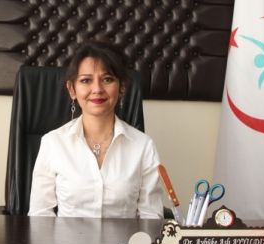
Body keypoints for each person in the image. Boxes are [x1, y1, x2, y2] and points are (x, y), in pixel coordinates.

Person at [28, 40, 163, 218]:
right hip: (67, 237)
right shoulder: (52, 143)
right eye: (86, 80)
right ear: (72, 89)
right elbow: (39, 215)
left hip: (125, 238)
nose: (97, 89)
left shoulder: (143, 146)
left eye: (107, 79)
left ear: (122, 87)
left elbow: (151, 217)